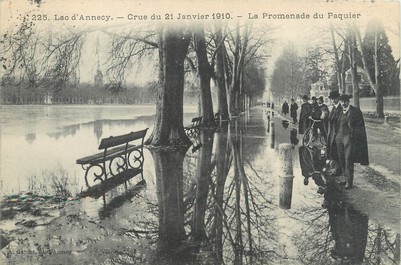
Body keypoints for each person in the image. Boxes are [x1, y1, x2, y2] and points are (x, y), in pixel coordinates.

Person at [335, 94, 369, 189]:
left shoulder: (355, 111)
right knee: (341, 158)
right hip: (340, 137)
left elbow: (360, 127)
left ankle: (349, 182)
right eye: (341, 102)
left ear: (348, 101)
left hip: (349, 138)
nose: (342, 103)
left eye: (344, 101)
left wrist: (354, 136)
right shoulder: (339, 111)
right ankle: (345, 178)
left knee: (348, 159)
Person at [326, 90, 342, 164]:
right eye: (332, 99)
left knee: (337, 150)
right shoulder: (333, 108)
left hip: (337, 132)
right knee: (332, 149)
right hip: (331, 132)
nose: (333, 100)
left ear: (338, 98)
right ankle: (334, 166)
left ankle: (338, 168)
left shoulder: (341, 108)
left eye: (335, 98)